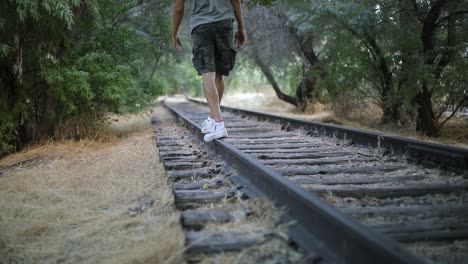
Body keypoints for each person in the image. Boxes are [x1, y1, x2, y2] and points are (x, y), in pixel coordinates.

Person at [172, 0, 246, 142]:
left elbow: (179, 8)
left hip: (201, 25)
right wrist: (242, 28)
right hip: (224, 22)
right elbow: (236, 1)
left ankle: (219, 124)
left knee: (208, 74)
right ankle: (212, 119)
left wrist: (174, 34)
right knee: (219, 75)